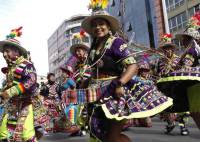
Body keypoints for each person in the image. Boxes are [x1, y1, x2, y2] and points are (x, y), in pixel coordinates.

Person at [80, 1, 173, 141]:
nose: (98, 27)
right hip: (96, 94)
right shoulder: (93, 47)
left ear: (108, 25)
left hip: (113, 93)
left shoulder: (116, 42)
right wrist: (82, 85)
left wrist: (120, 84)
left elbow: (132, 66)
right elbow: (92, 71)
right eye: (94, 25)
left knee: (112, 136)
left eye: (101, 24)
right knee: (97, 132)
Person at [0, 27, 38, 141]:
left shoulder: (26, 64)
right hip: (11, 105)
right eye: (4, 51)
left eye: (7, 51)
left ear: (16, 51)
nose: (4, 54)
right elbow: (8, 86)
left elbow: (31, 81)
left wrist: (11, 91)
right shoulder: (11, 69)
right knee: (4, 133)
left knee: (26, 135)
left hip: (25, 104)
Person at [174, 11, 200, 129]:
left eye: (184, 39)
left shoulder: (191, 50)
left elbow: (186, 68)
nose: (182, 41)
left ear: (189, 39)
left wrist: (175, 69)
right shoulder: (195, 49)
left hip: (195, 85)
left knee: (196, 112)